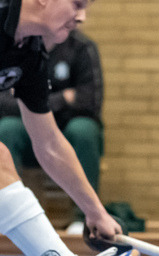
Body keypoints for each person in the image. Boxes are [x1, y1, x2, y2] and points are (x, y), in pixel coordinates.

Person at [0, 0, 138, 256]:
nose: (82, 17)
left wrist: (95, 211)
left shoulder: (28, 55)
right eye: (77, 3)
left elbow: (50, 144)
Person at [0, 28, 105, 196]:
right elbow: (3, 102)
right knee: (7, 128)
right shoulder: (16, 47)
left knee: (84, 129)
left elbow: (89, 102)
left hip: (67, 133)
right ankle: (6, 211)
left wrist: (28, 99)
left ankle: (84, 218)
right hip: (30, 134)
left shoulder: (82, 47)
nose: (81, 16)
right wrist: (63, 98)